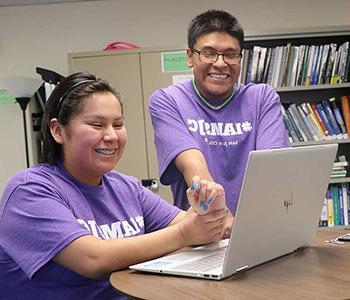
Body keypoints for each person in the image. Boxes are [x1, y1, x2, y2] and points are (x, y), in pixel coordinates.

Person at [0, 72, 228, 299]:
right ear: (58, 131)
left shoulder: (127, 187)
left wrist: (210, 211)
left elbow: (193, 226)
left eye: (118, 125)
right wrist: (185, 233)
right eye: (96, 124)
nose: (111, 136)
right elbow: (93, 259)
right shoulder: (29, 190)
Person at [149, 9, 290, 216]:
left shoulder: (262, 98)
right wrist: (222, 217)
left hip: (257, 228)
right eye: (209, 53)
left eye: (231, 55)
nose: (221, 63)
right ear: (190, 56)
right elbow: (192, 166)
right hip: (200, 234)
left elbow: (272, 167)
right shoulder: (168, 101)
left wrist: (249, 228)